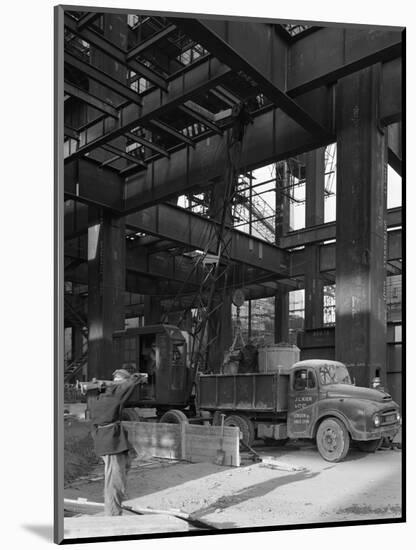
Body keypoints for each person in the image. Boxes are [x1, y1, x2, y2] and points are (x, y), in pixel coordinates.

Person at [89, 369, 147, 515]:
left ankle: (113, 506)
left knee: (122, 467)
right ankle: (113, 514)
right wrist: (138, 377)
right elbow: (128, 385)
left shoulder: (95, 397)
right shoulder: (114, 397)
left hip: (106, 439)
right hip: (111, 442)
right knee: (114, 482)